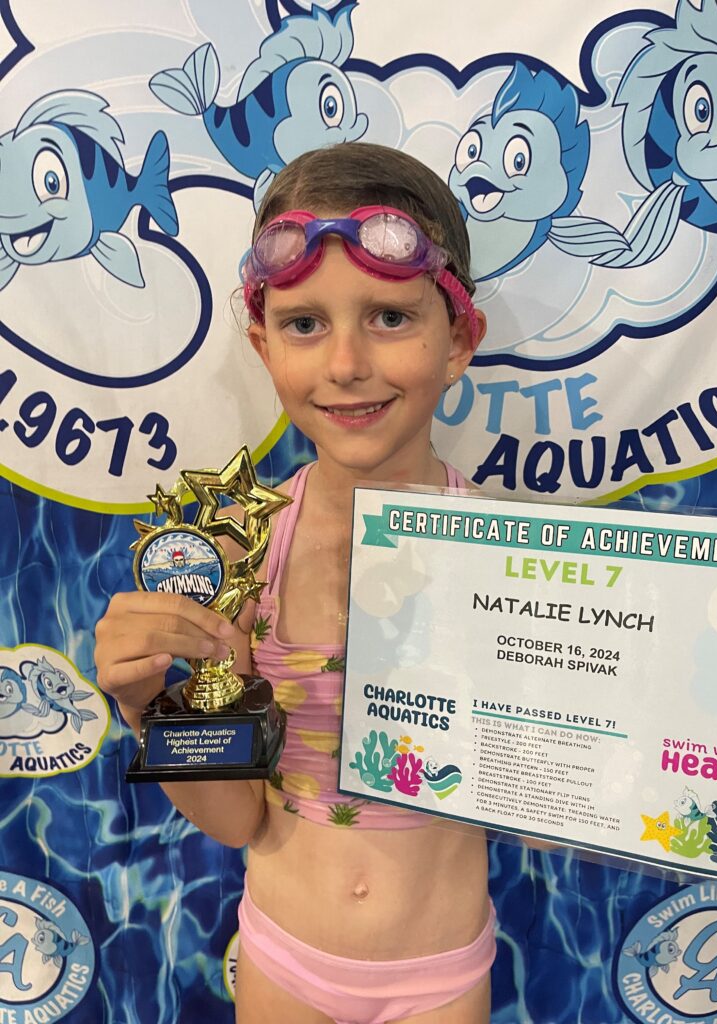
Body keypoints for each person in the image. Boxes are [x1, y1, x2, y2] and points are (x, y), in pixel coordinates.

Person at [95, 142, 497, 1024]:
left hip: (440, 973)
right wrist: (147, 708)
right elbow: (238, 819)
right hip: (284, 957)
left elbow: (581, 782)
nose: (345, 363)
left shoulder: (521, 564)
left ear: (459, 339)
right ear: (264, 344)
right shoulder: (242, 555)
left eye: (389, 317)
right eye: (305, 324)